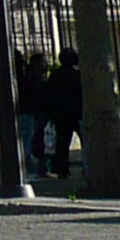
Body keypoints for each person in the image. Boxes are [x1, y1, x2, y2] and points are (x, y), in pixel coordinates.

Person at [40, 47, 86, 180]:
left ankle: (62, 170)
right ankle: (87, 167)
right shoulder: (77, 75)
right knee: (85, 141)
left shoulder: (55, 75)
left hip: (61, 113)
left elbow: (50, 94)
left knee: (62, 143)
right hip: (76, 112)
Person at [11, 51, 52, 174]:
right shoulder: (30, 78)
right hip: (32, 112)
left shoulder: (26, 77)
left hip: (34, 112)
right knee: (31, 141)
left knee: (36, 140)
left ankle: (38, 168)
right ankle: (33, 168)